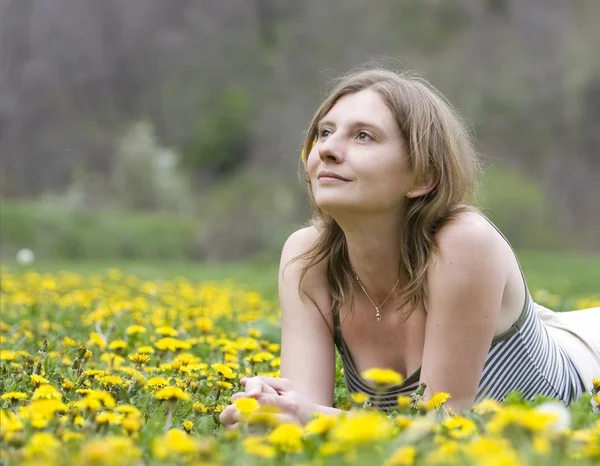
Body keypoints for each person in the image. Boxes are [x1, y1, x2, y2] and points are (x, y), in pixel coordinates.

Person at [219, 67, 600, 429]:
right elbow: (302, 413)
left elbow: (443, 427)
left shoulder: (463, 243)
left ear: (423, 177)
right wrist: (269, 412)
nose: (328, 150)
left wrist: (306, 416)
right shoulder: (307, 258)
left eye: (363, 135)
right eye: (324, 132)